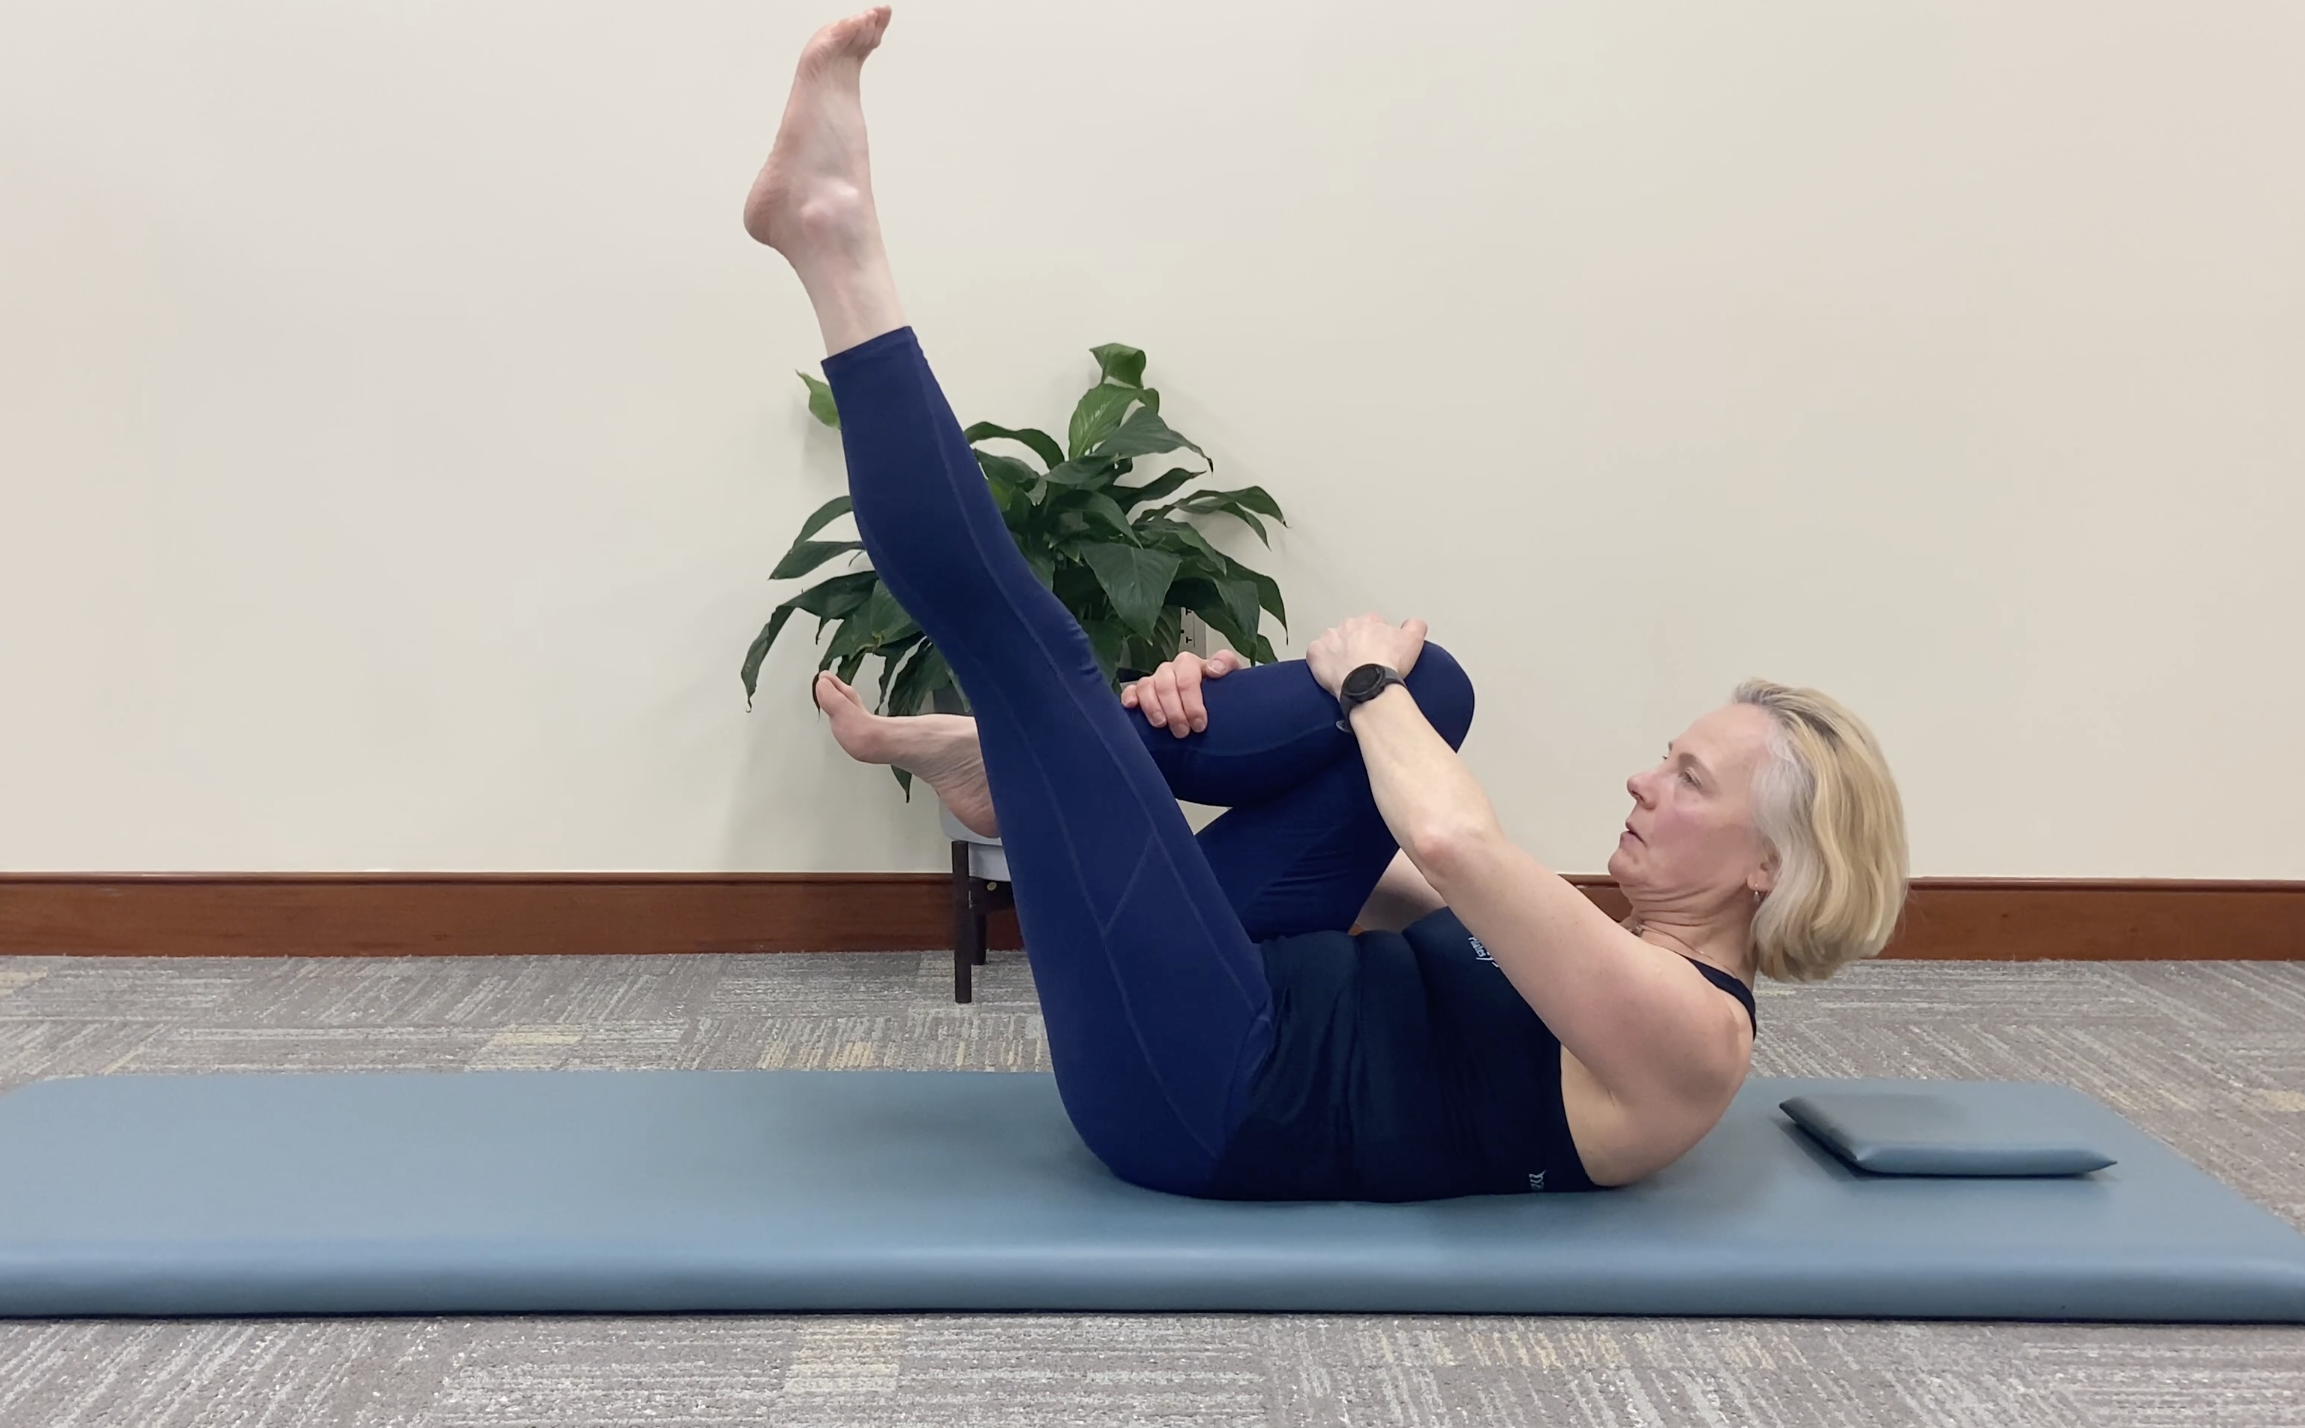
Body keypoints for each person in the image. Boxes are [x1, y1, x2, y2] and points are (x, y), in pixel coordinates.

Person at [744, 6, 1909, 1200]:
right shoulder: (1606, 951)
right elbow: (1395, 876)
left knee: (1037, 652)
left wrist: (1358, 679)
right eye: (1667, 758)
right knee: (1435, 688)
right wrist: (1200, 770)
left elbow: (1450, 843)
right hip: (1241, 993)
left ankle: (833, 242)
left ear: (1770, 867)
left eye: (1690, 781)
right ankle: (1024, 767)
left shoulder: (1696, 1042)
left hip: (1214, 1093)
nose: (1641, 781)